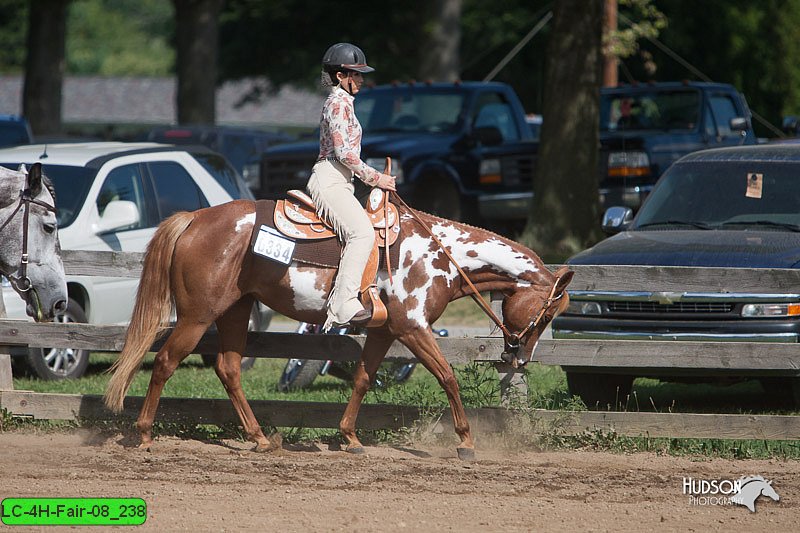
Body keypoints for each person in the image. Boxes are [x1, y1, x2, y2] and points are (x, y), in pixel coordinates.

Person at [307, 42, 396, 329]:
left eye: (360, 75)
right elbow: (344, 154)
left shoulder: (345, 104)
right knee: (361, 233)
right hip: (330, 177)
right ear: (338, 76)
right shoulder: (336, 103)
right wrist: (376, 178)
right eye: (355, 75)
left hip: (342, 180)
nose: (360, 80)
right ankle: (343, 304)